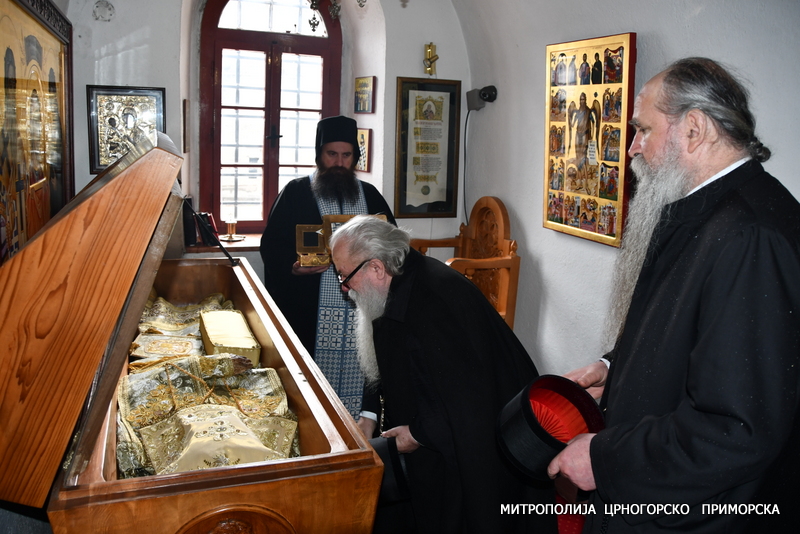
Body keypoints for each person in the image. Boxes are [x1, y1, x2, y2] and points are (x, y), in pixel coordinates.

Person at [547, 57, 800, 533]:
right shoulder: (704, 210)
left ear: (694, 129)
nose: (632, 149)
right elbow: (691, 333)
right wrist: (614, 369)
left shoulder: (749, 235)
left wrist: (604, 458)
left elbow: (734, 428)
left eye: (643, 130)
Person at [329, 216, 557, 534]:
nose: (343, 287)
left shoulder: (435, 303)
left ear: (377, 268)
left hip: (468, 449)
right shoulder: (397, 280)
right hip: (428, 432)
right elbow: (383, 358)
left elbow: (469, 400)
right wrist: (370, 414)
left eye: (344, 275)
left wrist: (418, 434)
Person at [259, 115, 395, 420]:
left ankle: (362, 424)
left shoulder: (370, 195)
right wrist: (293, 269)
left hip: (361, 308)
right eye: (332, 154)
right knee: (306, 391)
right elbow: (272, 246)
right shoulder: (296, 192)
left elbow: (392, 244)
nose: (339, 162)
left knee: (366, 367)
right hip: (309, 308)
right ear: (319, 155)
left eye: (346, 155)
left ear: (354, 158)